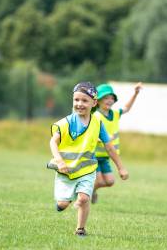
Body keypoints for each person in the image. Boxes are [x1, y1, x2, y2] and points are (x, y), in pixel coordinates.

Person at [49, 82, 129, 236]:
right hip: (66, 170)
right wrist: (59, 161)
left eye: (84, 101)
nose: (79, 104)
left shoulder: (97, 123)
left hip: (87, 169)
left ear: (94, 103)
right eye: (76, 100)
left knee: (85, 198)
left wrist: (121, 167)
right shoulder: (65, 123)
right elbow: (53, 141)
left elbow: (109, 147)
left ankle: (80, 229)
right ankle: (66, 200)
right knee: (63, 204)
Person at [91, 82, 141, 204]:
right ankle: (83, 196)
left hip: (106, 156)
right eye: (106, 98)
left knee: (109, 182)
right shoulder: (95, 116)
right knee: (98, 181)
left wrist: (135, 93)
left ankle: (91, 191)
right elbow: (90, 135)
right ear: (98, 101)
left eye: (111, 98)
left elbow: (127, 108)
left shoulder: (115, 113)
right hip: (94, 155)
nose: (109, 100)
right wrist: (102, 139)